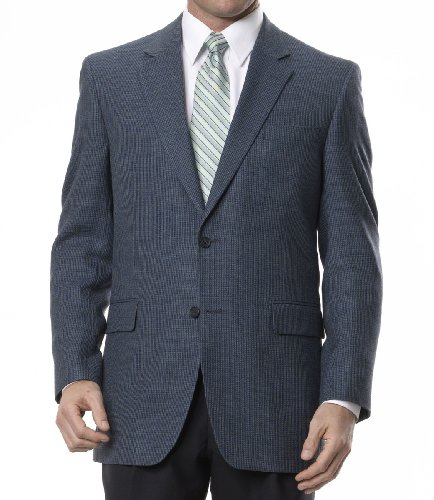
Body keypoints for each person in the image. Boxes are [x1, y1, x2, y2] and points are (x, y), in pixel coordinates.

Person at [51, 1, 383, 498]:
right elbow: (82, 240)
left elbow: (352, 257)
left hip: (276, 398)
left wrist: (343, 396)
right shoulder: (110, 77)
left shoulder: (328, 82)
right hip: (140, 393)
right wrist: (76, 369)